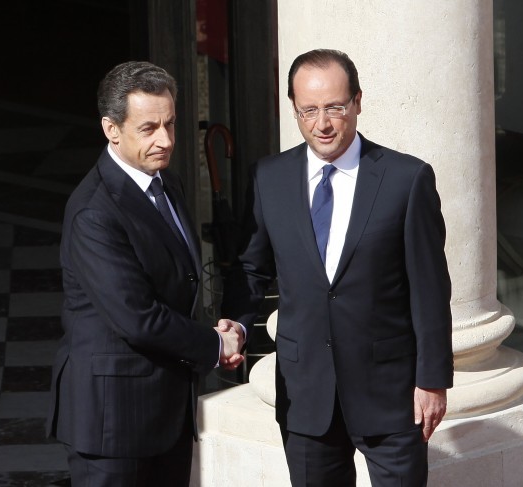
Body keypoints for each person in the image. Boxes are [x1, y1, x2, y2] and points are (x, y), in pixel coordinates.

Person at [221, 49, 453, 486]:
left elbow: (430, 289)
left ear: (358, 102)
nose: (322, 123)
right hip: (305, 391)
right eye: (309, 110)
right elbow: (251, 268)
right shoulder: (268, 177)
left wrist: (433, 380)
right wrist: (234, 322)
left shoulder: (407, 179)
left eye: (334, 108)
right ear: (294, 109)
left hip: (392, 393)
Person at [47, 61, 244, 487]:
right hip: (112, 424)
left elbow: (176, 282)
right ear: (111, 129)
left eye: (170, 124)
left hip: (164, 413)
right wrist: (212, 343)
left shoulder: (166, 182)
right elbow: (137, 316)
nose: (165, 140)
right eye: (149, 127)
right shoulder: (94, 212)